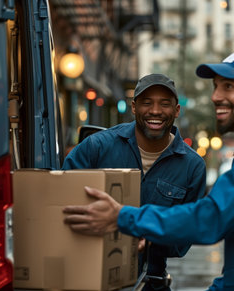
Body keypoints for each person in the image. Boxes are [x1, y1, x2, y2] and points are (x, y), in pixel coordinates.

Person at [63, 52, 234, 290]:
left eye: (229, 87)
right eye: (216, 87)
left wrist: (123, 217)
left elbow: (212, 218)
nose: (216, 96)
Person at [62, 73, 206, 291]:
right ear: (134, 107)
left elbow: (183, 240)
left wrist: (147, 238)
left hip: (150, 283)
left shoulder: (192, 166)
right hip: (89, 279)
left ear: (176, 110)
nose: (155, 111)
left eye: (164, 104)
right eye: (146, 103)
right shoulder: (97, 147)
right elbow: (60, 201)